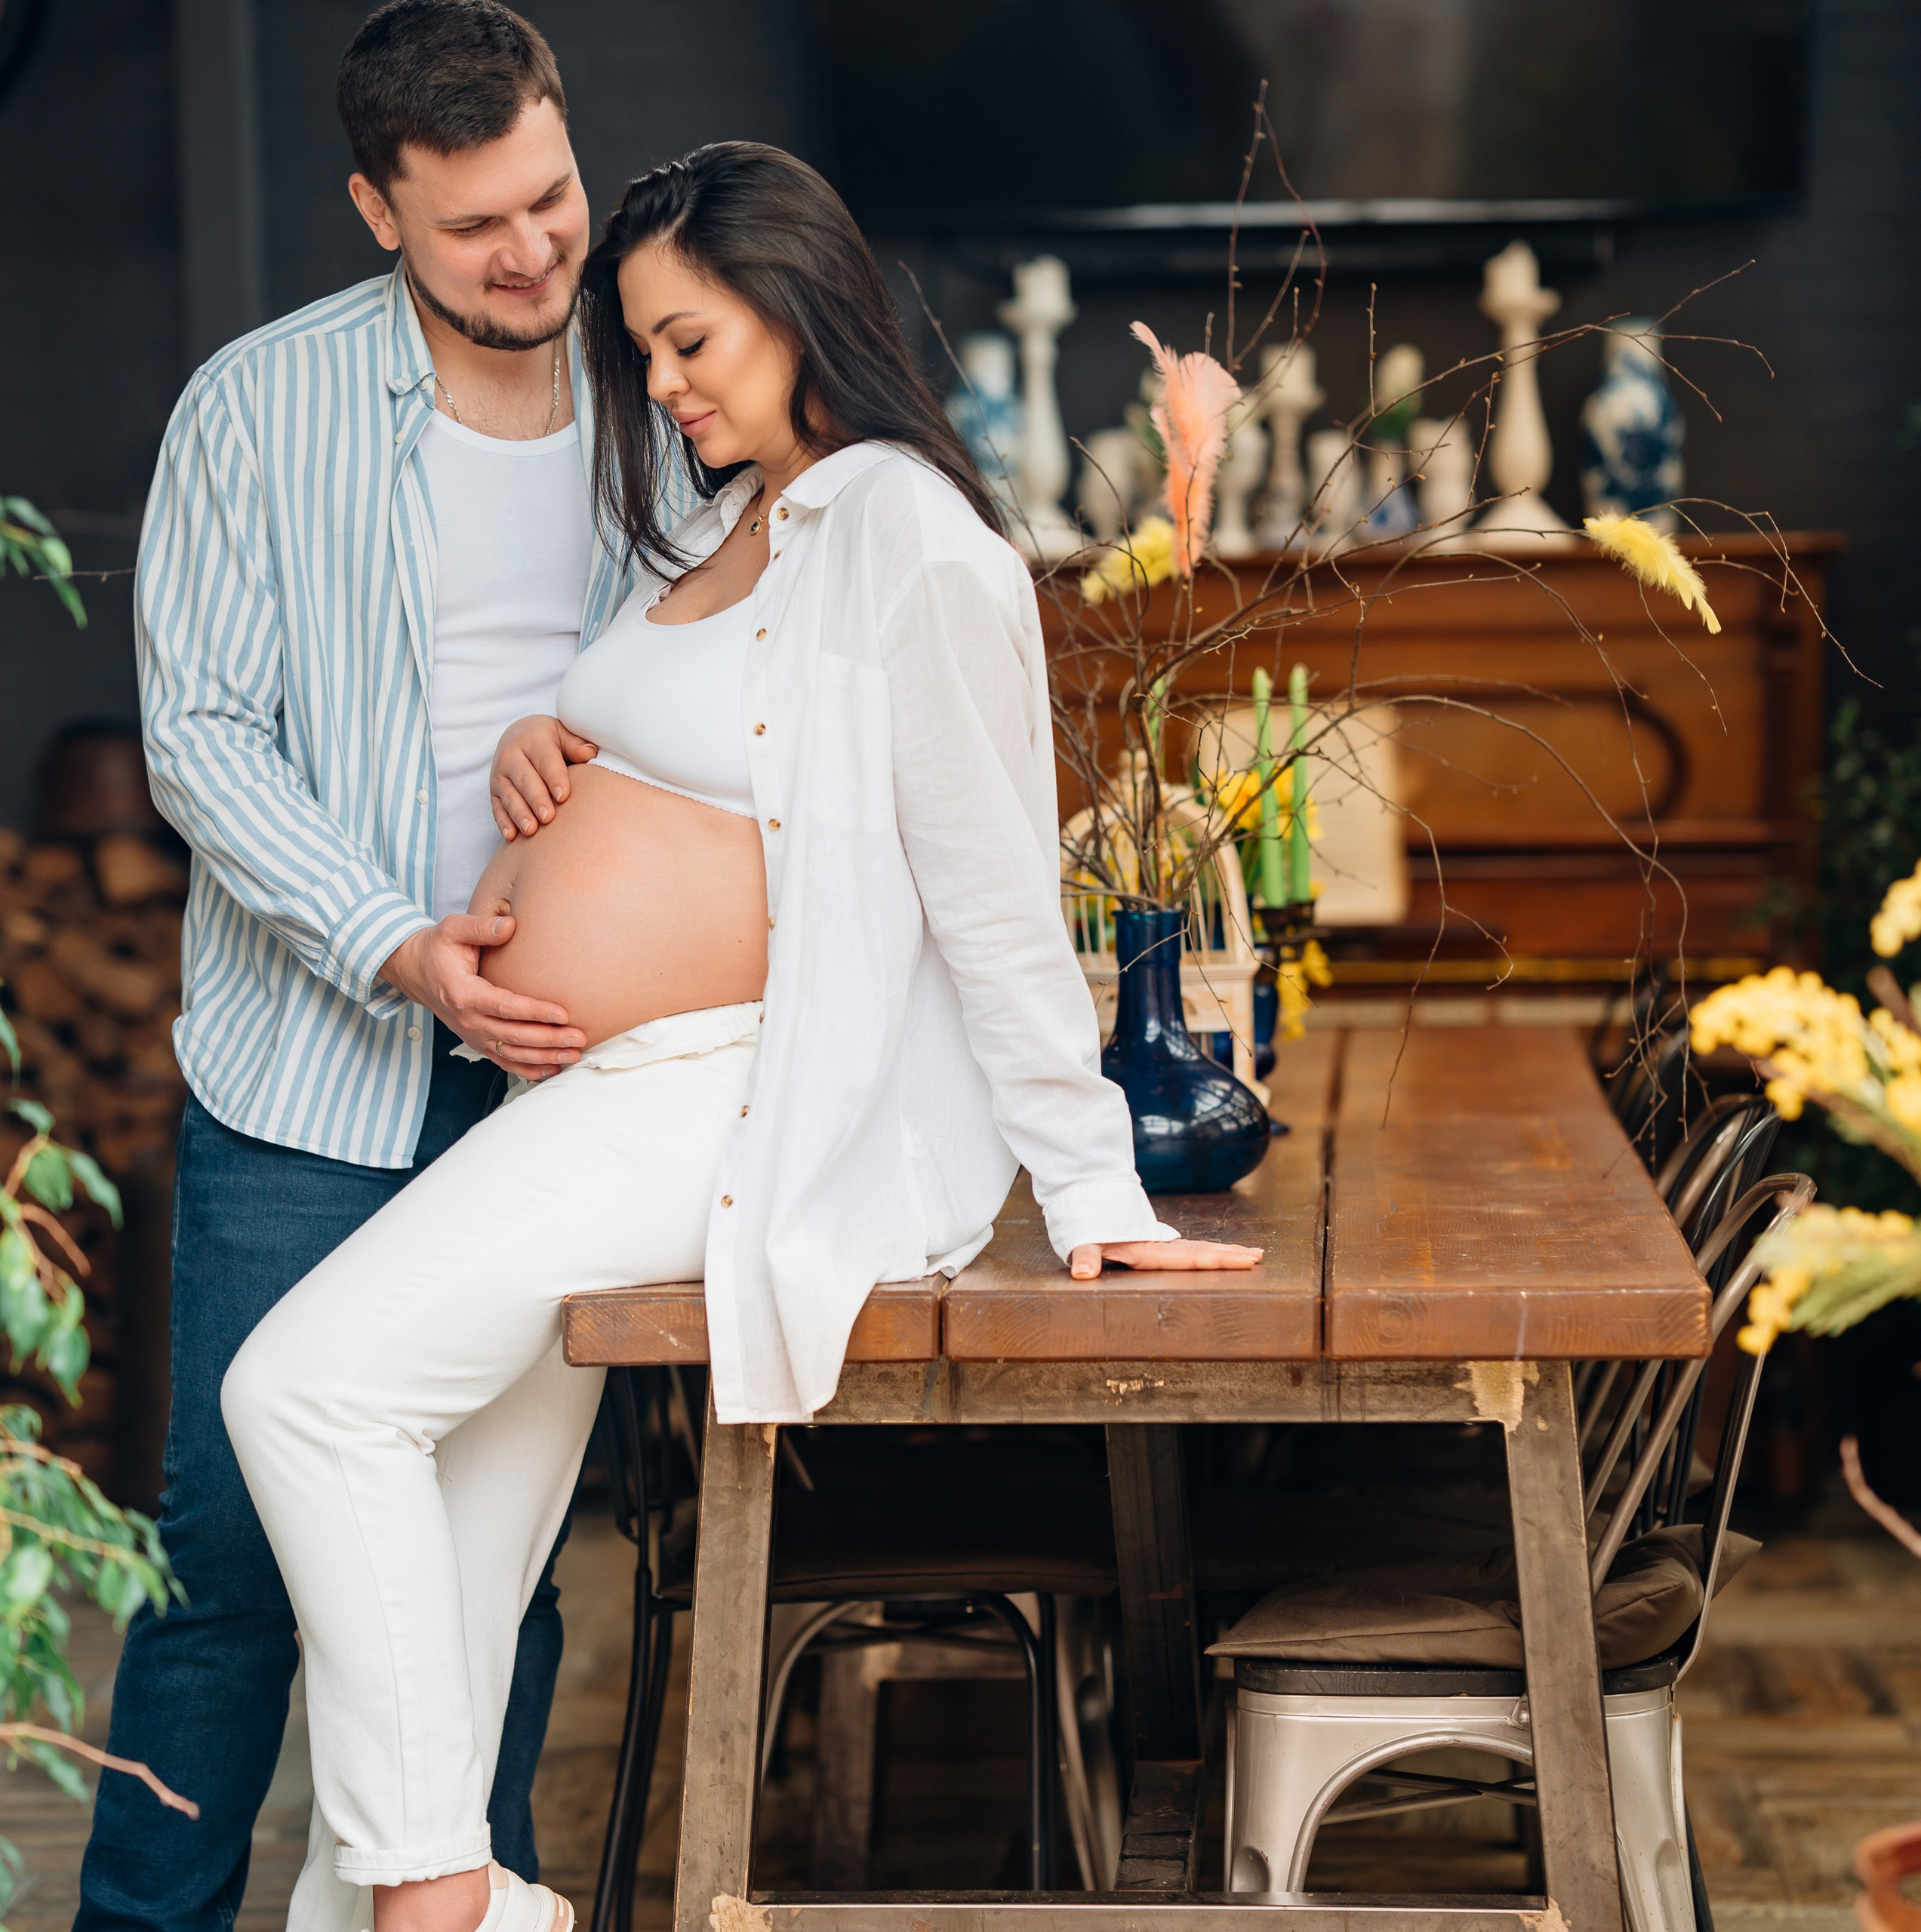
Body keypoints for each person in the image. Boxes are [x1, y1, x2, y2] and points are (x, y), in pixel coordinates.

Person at [217, 139, 1266, 1932]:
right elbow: (678, 747)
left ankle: (442, 1894)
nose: (663, 384)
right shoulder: (721, 519)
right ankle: (404, 1899)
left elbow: (996, 893)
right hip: (600, 1083)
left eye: (688, 339)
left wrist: (1092, 1185)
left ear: (795, 302)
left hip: (729, 1092)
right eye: (642, 351)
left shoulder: (917, 542)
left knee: (299, 1391)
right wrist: (543, 751)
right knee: (444, 1575)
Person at [76, 8, 675, 1931]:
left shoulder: (672, 386)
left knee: (490, 1570)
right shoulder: (254, 408)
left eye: (551, 197)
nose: (533, 253)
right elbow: (202, 740)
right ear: (372, 209)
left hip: (574, 1081)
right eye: (473, 226)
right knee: (234, 1570)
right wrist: (400, 945)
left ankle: (447, 1906)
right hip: (310, 1067)